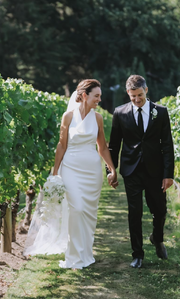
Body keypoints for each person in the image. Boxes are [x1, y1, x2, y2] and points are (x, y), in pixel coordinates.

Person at [24, 79, 117, 270]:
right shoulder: (68, 117)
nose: (99, 99)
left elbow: (102, 147)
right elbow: (62, 145)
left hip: (92, 171)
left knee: (89, 215)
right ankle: (74, 258)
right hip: (71, 169)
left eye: (100, 96)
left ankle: (86, 254)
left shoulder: (98, 118)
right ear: (84, 95)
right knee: (77, 210)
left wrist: (112, 169)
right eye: (96, 96)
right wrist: (55, 172)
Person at [107, 75, 174, 268]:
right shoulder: (120, 113)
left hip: (155, 170)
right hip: (131, 170)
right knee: (134, 213)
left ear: (146, 90)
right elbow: (114, 145)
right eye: (133, 96)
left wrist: (168, 174)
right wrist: (111, 170)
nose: (137, 99)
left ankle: (157, 238)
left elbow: (167, 144)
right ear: (128, 93)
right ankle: (137, 254)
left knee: (160, 210)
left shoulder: (160, 112)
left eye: (140, 95)